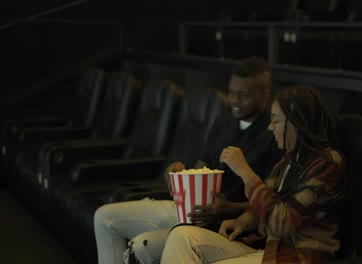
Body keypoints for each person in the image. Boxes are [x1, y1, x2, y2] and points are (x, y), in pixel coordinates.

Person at [93, 56, 283, 264]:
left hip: (227, 223)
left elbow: (271, 201)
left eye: (243, 95)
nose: (234, 100)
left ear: (265, 95)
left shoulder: (274, 133)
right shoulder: (224, 120)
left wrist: (230, 208)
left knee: (141, 246)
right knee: (105, 217)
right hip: (194, 210)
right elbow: (200, 169)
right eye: (231, 93)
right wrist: (178, 177)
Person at [160, 85, 348, 264]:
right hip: (269, 250)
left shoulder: (328, 163)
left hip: (297, 257)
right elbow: (269, 203)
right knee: (182, 236)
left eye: (275, 121)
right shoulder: (287, 161)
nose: (270, 127)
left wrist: (245, 172)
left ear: (297, 124)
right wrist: (243, 222)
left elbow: (282, 222)